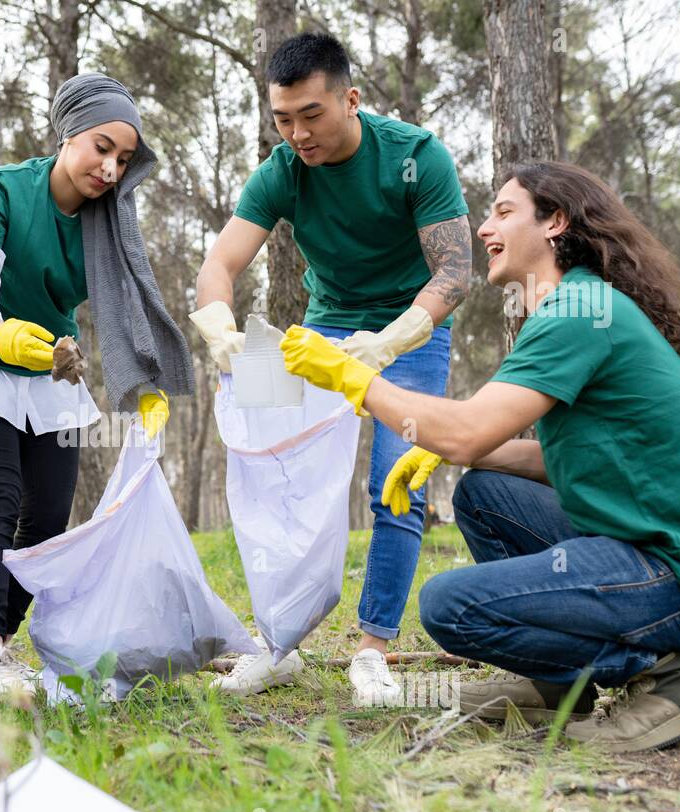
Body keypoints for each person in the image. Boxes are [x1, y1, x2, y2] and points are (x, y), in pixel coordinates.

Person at [281, 160, 680, 752]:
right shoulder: (577, 306)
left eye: (504, 212)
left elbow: (467, 430)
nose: (484, 227)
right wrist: (468, 456)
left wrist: (353, 377)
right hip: (656, 548)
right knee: (481, 493)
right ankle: (559, 685)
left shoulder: (577, 314)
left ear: (555, 222)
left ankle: (672, 677)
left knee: (449, 606)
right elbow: (574, 460)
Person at [192, 32, 472, 700]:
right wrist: (218, 327)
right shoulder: (282, 171)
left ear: (350, 99)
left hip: (413, 329)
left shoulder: (416, 157)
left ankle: (372, 650)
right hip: (327, 325)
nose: (297, 134)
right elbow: (220, 263)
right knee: (276, 470)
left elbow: (457, 270)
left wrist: (393, 339)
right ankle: (278, 644)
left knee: (394, 485)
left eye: (311, 115)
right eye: (283, 119)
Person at [0, 73, 195, 703]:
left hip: (51, 372)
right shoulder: (4, 188)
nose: (110, 168)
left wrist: (143, 383)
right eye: (101, 147)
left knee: (46, 514)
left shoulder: (108, 220)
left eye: (124, 159)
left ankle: (3, 646)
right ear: (67, 132)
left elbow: (128, 304)